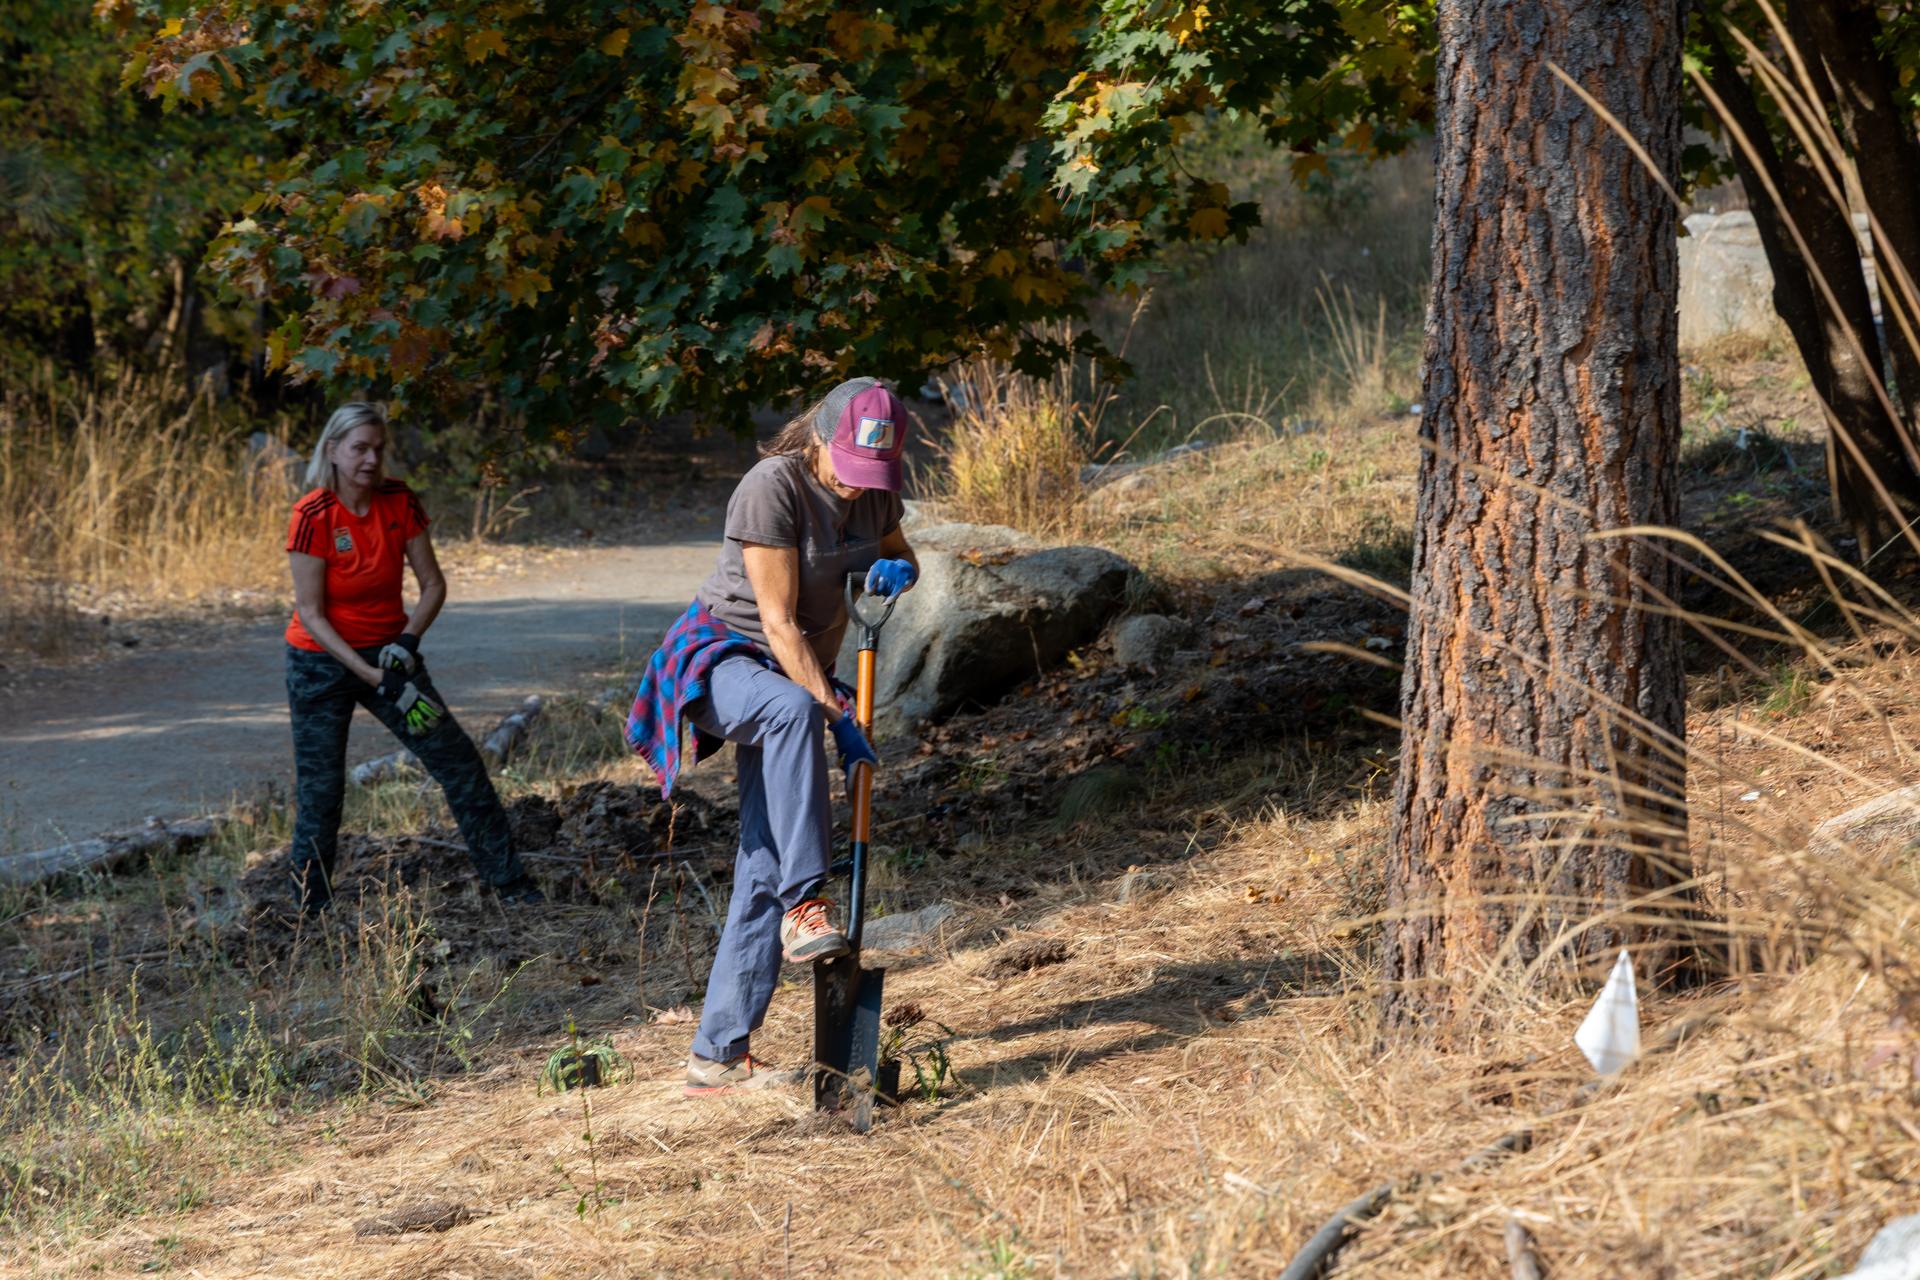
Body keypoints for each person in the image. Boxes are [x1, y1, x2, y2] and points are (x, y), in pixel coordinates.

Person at [627, 376, 920, 1096]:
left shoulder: (875, 490)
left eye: (870, 476)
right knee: (792, 711)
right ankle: (804, 903)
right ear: (819, 438)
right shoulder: (771, 487)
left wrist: (898, 570)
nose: (857, 490)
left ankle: (718, 1053)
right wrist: (837, 716)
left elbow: (901, 552)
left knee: (763, 851)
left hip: (796, 676)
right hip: (727, 659)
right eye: (848, 469)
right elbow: (779, 624)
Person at [283, 402, 541, 915]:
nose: (370, 459)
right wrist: (371, 674)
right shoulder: (312, 515)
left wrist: (407, 642)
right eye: (359, 448)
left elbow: (433, 585)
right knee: (322, 791)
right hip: (320, 665)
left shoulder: (400, 501)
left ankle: (511, 885)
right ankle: (306, 910)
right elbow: (311, 613)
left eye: (378, 449)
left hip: (393, 658)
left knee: (460, 765)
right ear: (332, 451)